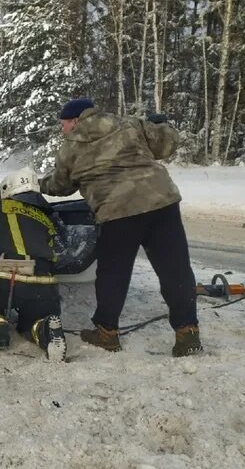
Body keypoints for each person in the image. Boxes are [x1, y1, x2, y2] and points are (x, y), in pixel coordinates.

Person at [40, 98, 202, 357]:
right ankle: (187, 333)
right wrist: (163, 126)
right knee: (175, 269)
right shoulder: (129, 124)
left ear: (75, 120)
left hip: (117, 210)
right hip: (161, 201)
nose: (63, 130)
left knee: (113, 273)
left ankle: (107, 333)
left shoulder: (71, 146)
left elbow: (60, 186)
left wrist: (37, 184)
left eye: (63, 124)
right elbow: (166, 145)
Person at [0, 168, 67, 362]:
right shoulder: (47, 216)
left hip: (7, 276)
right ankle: (43, 328)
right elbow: (61, 250)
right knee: (32, 321)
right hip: (45, 281)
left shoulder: (0, 208)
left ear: (8, 189)